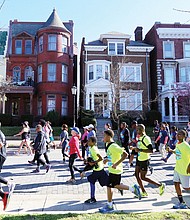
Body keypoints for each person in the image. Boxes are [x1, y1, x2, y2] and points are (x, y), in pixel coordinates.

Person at [99, 129, 141, 213]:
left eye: (104, 136)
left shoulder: (114, 146)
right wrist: (107, 160)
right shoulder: (108, 144)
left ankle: (110, 205)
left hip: (116, 170)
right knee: (113, 185)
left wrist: (116, 164)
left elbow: (125, 154)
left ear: (108, 136)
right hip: (112, 169)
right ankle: (132, 189)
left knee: (111, 186)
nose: (103, 137)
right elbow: (112, 156)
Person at [132, 124, 166, 198]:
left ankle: (160, 185)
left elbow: (151, 150)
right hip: (139, 159)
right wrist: (134, 148)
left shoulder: (146, 138)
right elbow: (140, 147)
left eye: (138, 129)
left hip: (145, 160)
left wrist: (140, 150)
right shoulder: (139, 138)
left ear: (142, 130)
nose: (137, 131)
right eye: (136, 129)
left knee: (143, 177)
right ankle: (143, 192)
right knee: (136, 175)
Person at [167, 129, 190, 209]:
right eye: (177, 134)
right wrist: (171, 151)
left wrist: (189, 166)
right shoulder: (178, 144)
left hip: (185, 169)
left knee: (186, 188)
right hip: (177, 168)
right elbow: (178, 152)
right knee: (176, 183)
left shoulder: (186, 145)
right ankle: (181, 202)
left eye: (180, 134)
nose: (177, 135)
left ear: (184, 136)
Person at [82, 136, 108, 204]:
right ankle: (120, 186)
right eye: (88, 141)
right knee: (107, 183)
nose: (88, 142)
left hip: (98, 169)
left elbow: (101, 158)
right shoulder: (92, 148)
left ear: (93, 142)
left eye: (89, 141)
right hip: (99, 168)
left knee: (91, 180)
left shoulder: (93, 149)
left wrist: (93, 162)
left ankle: (92, 198)